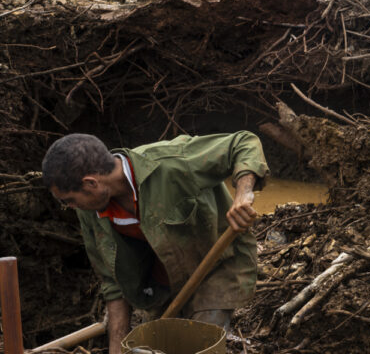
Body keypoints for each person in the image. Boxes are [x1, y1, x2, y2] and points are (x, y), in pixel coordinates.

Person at [42, 132, 267, 351]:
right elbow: (113, 282)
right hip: (161, 289)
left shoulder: (170, 163)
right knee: (161, 346)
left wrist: (243, 194)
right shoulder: (90, 210)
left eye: (70, 200)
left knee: (198, 343)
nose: (70, 207)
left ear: (91, 183)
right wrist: (117, 347)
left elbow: (242, 143)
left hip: (216, 269)